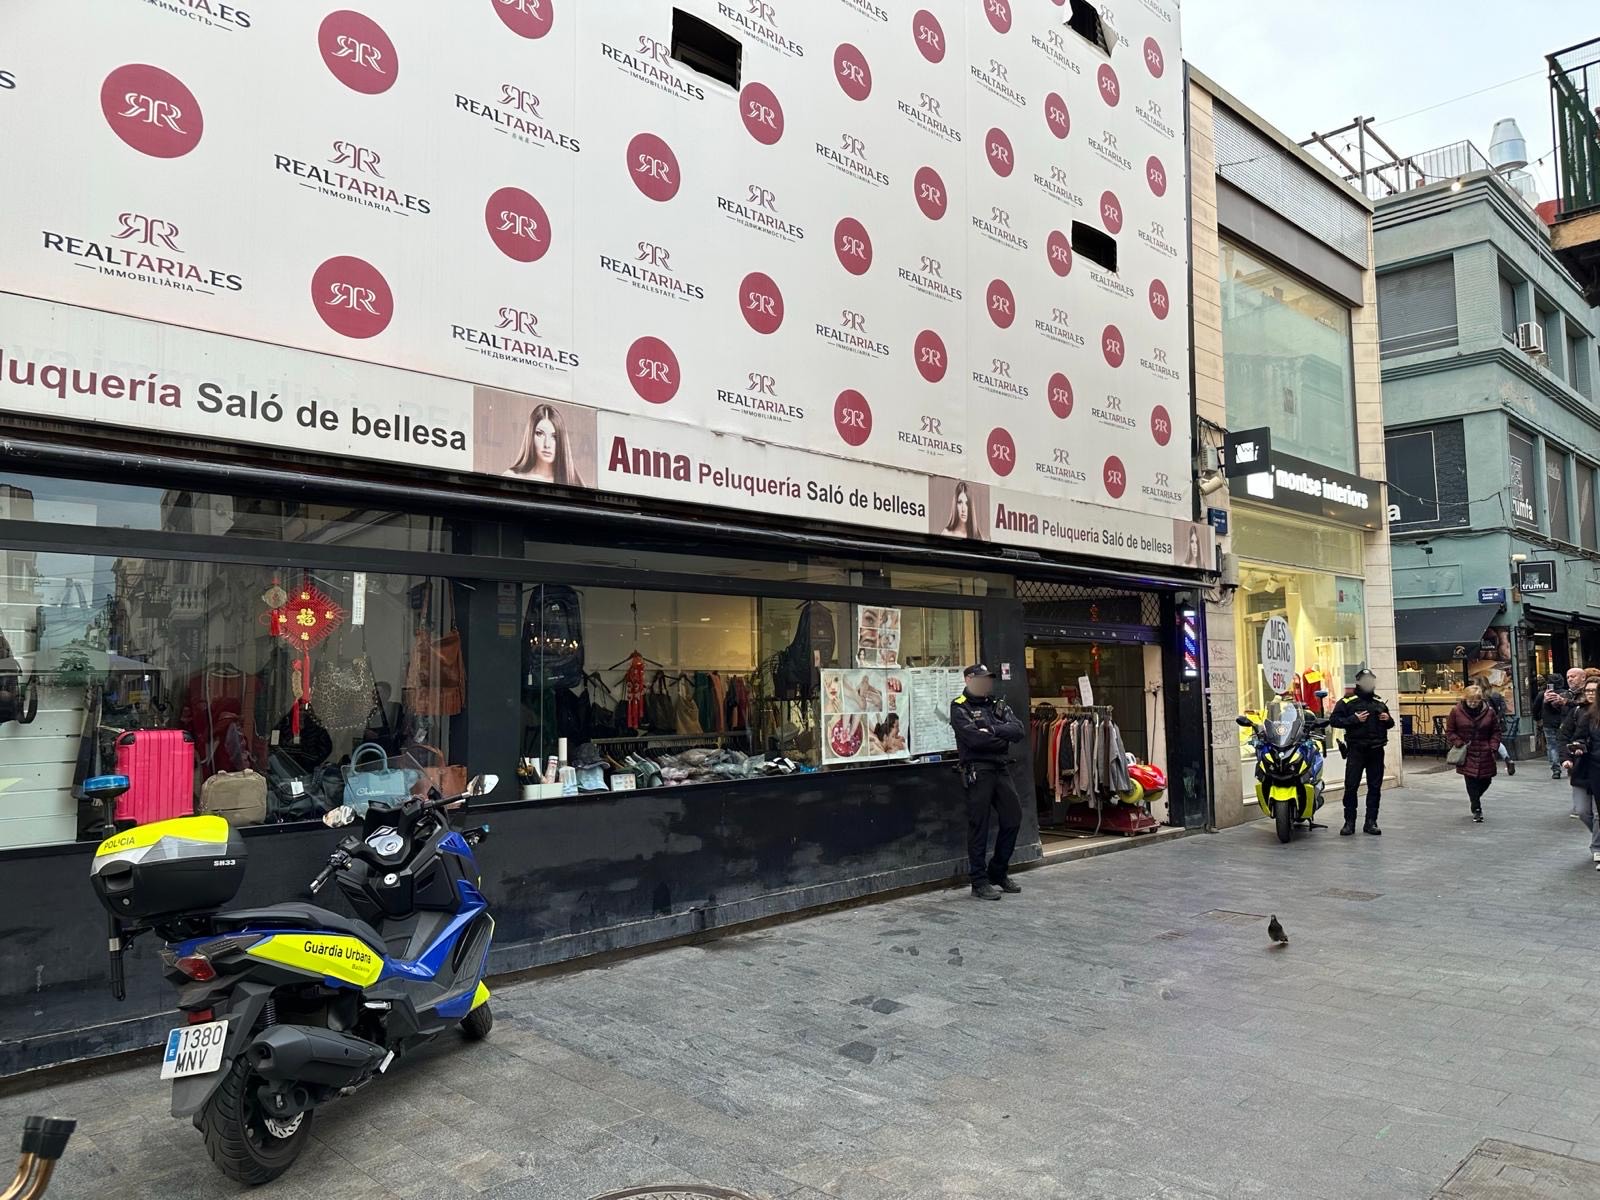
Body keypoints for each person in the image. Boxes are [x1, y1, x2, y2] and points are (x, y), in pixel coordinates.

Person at [951, 664, 1025, 900]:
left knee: (1013, 818)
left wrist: (991, 729)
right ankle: (979, 881)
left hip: (1000, 768)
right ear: (968, 679)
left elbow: (1018, 730)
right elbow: (974, 740)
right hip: (977, 771)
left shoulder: (996, 705)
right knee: (979, 826)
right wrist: (1002, 738)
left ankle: (998, 871)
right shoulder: (959, 706)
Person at [1329, 667, 1392, 836]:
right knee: (1351, 787)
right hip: (1356, 750)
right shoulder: (1347, 702)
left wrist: (1387, 719)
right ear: (1358, 682)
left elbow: (1390, 724)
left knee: (1375, 788)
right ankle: (1349, 822)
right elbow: (1334, 720)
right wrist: (1354, 719)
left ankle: (1371, 822)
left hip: (1376, 751)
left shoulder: (1379, 702)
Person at [1445, 684, 1500, 823]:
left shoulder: (1489, 712)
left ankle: (1475, 799)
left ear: (1480, 700)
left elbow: (1496, 731)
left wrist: (1493, 746)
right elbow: (1450, 731)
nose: (1473, 704)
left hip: (1485, 751)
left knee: (1487, 780)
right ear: (1465, 698)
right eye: (1470, 701)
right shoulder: (1456, 711)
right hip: (1467, 751)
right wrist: (1458, 742)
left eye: (1475, 701)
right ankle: (1476, 808)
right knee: (1471, 781)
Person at [1561, 678, 1600, 856]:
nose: (1591, 694)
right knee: (1583, 811)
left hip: (1597, 769)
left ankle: (1597, 848)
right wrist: (1568, 756)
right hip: (1582, 768)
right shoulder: (1579, 712)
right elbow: (1569, 737)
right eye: (1588, 690)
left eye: (1594, 691)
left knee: (1598, 813)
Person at [505, 404, 585, 487]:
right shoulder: (512, 477)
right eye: (540, 434)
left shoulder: (574, 483)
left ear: (561, 440)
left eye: (554, 436)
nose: (547, 444)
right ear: (530, 436)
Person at [1536, 668, 1584, 779]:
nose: (1570, 679)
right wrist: (1547, 702)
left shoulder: (1587, 693)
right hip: (1566, 731)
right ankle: (1559, 768)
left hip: (1582, 735)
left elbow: (1584, 705)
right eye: (1568, 677)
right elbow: (1560, 711)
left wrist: (1565, 702)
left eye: (1573, 676)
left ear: (1583, 678)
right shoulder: (1566, 694)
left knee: (1552, 746)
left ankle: (1557, 769)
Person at [1477, 678, 1516, 776]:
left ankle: (1489, 764)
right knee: (1496, 742)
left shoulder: (1480, 696)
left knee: (1486, 743)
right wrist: (1498, 718)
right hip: (1495, 722)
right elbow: (1503, 708)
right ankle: (1507, 759)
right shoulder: (1495, 694)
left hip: (1484, 723)